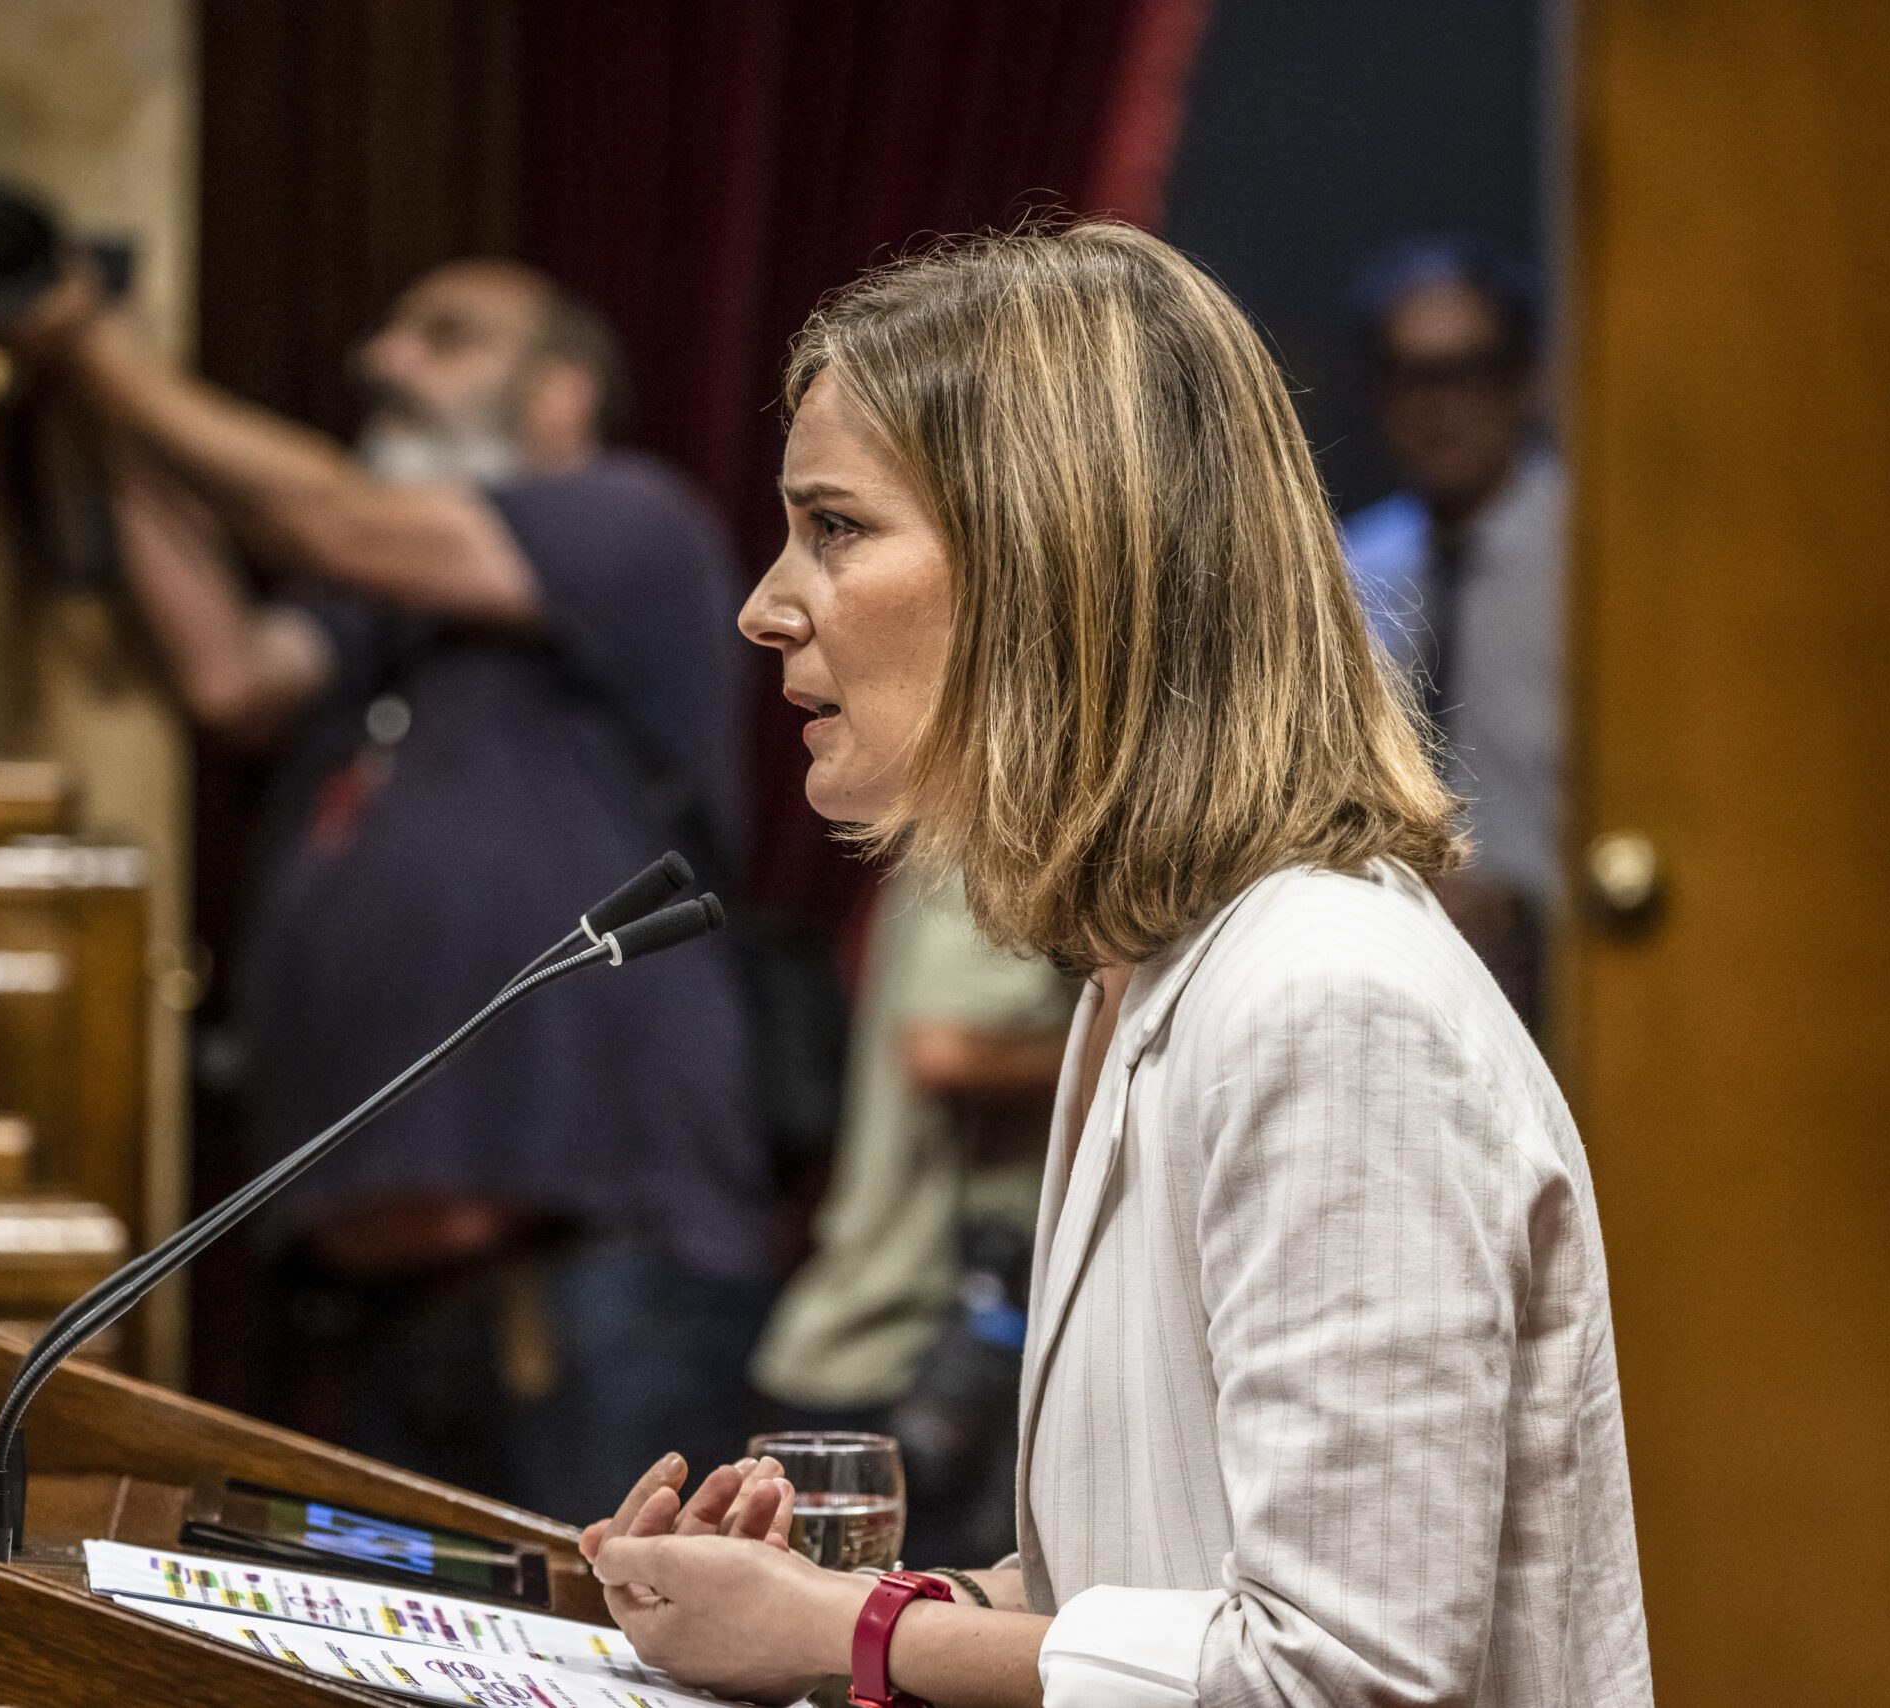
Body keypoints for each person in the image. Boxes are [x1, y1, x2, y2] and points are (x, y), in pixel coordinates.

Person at [575, 224, 1652, 1708]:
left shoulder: (1330, 999)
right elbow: (1153, 1582)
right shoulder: (1144, 976)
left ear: (1050, 566)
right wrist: (825, 1605)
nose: (766, 603)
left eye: (834, 526)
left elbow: (1340, 1674)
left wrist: (856, 1635)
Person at [13, 259, 769, 1524]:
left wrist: (100, 348)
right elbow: (231, 675)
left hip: (596, 1271)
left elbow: (337, 520)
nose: (384, 361)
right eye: (389, 335)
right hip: (387, 1300)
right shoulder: (382, 613)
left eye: (446, 338)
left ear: (563, 394)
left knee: (627, 1628)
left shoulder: (626, 518)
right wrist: (110, 422)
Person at [752, 864, 1074, 1566]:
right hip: (918, 1343)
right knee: (875, 1626)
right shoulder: (996, 842)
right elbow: (945, 1047)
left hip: (916, 1336)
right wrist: (1111, 1046)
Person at [1341, 236, 1562, 1026]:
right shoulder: (1351, 572)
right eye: (1412, 377)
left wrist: (1530, 911)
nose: (1439, 406)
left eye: (1469, 372)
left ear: (1526, 380)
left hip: (1575, 993)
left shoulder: (1595, 569)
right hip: (1393, 989)